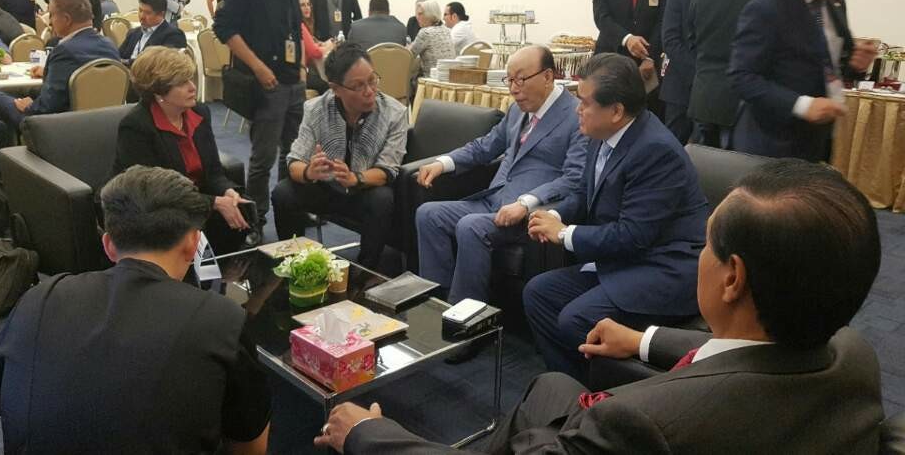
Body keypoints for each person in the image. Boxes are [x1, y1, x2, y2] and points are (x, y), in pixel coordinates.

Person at [315, 159, 884, 454]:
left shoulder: (639, 425)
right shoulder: (851, 355)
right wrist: (643, 340)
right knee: (549, 386)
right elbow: (744, 358)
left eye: (706, 245)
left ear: (732, 278)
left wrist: (369, 436)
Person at [0, 165, 271, 454]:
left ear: (108, 245)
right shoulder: (222, 320)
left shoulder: (38, 298)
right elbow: (251, 448)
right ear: (192, 244)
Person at [523, 53, 708, 379]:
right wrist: (551, 214)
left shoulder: (655, 151)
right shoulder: (602, 134)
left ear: (616, 111)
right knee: (538, 293)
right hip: (625, 260)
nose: (577, 110)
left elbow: (633, 235)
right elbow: (583, 195)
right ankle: (571, 386)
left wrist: (563, 233)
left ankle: (608, 397)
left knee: (575, 318)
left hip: (663, 267)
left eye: (584, 103)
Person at [415, 46, 589, 304]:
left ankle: (464, 316)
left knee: (470, 226)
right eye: (510, 80)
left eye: (521, 79)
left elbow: (574, 178)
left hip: (529, 213)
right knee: (428, 214)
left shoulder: (576, 115)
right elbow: (485, 146)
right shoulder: (518, 110)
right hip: (492, 200)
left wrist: (526, 203)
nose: (513, 89)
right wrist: (444, 162)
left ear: (548, 76)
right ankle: (435, 302)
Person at [730, 0, 877, 162]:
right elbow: (742, 77)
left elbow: (827, 66)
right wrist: (802, 105)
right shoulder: (768, 7)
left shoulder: (834, 2)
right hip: (773, 145)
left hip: (816, 143)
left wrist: (854, 64)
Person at [272, 43, 408, 269]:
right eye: (358, 86)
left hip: (363, 191)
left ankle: (367, 271)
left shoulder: (394, 113)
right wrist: (309, 172)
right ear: (336, 88)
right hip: (324, 188)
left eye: (372, 80)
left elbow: (388, 170)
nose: (369, 91)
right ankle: (293, 263)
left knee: (382, 199)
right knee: (283, 192)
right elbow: (294, 162)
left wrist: (355, 178)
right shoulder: (316, 108)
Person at [113, 47, 251, 253]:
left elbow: (214, 173)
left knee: (239, 209)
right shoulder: (136, 126)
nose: (192, 87)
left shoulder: (199, 113)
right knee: (184, 223)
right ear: (158, 92)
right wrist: (213, 202)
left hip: (191, 199)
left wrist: (227, 191)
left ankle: (228, 270)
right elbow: (153, 193)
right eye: (182, 83)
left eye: (190, 79)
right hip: (152, 208)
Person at [213, 0, 304, 222]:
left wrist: (301, 67)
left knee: (293, 153)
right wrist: (258, 67)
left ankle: (289, 208)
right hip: (265, 84)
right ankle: (256, 216)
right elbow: (224, 28)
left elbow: (295, 30)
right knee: (263, 157)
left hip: (292, 82)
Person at [0, 0, 119, 132]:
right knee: (20, 91)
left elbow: (47, 107)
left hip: (59, 126)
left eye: (51, 15)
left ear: (66, 19)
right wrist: (47, 73)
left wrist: (30, 106)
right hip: (108, 122)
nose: (49, 22)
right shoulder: (109, 44)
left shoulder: (65, 50)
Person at [687, 0, 769, 149]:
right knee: (741, 166)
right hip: (747, 101)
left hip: (706, 96)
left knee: (704, 165)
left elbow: (692, 41)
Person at [659, 0, 727, 144]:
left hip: (717, 91)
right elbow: (671, 41)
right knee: (674, 145)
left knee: (709, 149)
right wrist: (699, 73)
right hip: (681, 86)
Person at [118, 0, 187, 64]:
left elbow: (160, 63)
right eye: (140, 10)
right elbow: (117, 56)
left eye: (148, 13)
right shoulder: (133, 33)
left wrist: (127, 62)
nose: (142, 16)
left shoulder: (173, 35)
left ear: (161, 14)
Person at [408, 0, 454, 78]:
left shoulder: (425, 32)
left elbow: (408, 56)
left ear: (430, 15)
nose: (417, 17)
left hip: (432, 79)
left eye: (420, 14)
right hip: (449, 77)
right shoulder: (446, 30)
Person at [300, 0, 333, 93]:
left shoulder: (305, 25)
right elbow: (315, 52)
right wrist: (331, 46)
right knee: (329, 86)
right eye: (302, 5)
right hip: (301, 74)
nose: (306, 8)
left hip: (306, 70)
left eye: (308, 4)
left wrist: (318, 44)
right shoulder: (300, 26)